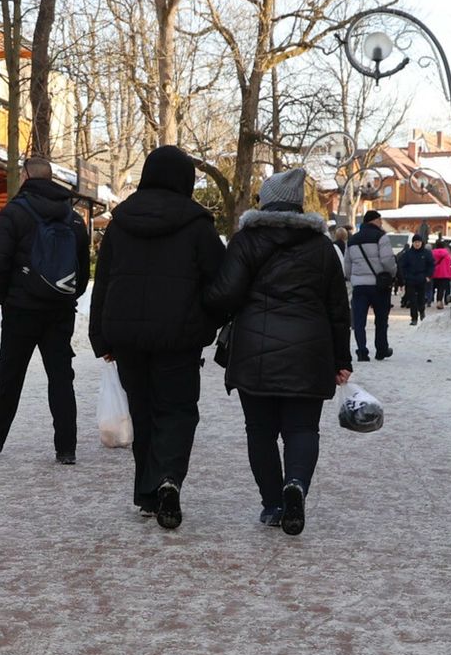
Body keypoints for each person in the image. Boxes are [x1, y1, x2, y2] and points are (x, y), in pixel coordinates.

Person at [203, 168, 351, 534]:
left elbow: (225, 295)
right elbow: (338, 309)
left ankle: (272, 503)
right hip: (310, 352)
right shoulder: (322, 248)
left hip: (255, 351)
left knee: (261, 431)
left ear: (266, 202)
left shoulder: (246, 241)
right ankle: (296, 485)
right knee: (302, 429)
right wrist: (341, 359)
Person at [89, 145, 225, 529]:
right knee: (178, 411)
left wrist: (101, 336)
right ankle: (168, 480)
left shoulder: (120, 222)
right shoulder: (198, 225)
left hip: (128, 337)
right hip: (179, 338)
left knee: (144, 412)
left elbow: (104, 283)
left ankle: (148, 493)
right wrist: (206, 323)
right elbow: (221, 282)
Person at [0, 157, 90, 462]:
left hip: (22, 308)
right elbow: (81, 268)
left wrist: (4, 296)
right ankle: (66, 447)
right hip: (59, 309)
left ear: (27, 175)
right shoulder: (72, 217)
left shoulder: (16, 212)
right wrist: (69, 294)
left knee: (11, 374)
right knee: (61, 375)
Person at [345, 211, 396, 360]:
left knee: (359, 320)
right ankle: (381, 350)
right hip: (378, 285)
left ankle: (362, 351)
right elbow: (387, 261)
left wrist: (353, 278)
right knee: (381, 319)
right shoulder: (381, 237)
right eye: (380, 220)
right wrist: (392, 273)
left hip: (359, 286)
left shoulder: (352, 240)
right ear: (374, 220)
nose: (381, 222)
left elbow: (347, 265)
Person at [398, 232, 434, 325]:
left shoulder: (426, 253)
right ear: (412, 243)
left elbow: (431, 265)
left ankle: (422, 311)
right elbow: (402, 266)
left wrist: (428, 276)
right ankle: (414, 318)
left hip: (422, 279)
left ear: (421, 243)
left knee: (421, 298)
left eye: (418, 242)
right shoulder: (408, 254)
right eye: (415, 242)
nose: (417, 244)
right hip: (410, 279)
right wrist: (405, 276)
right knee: (412, 300)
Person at [431, 239, 451, 307]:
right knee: (441, 288)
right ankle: (440, 301)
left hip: (434, 273)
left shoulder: (432, 253)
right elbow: (450, 265)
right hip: (445, 274)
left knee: (432, 287)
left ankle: (430, 300)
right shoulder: (447, 254)